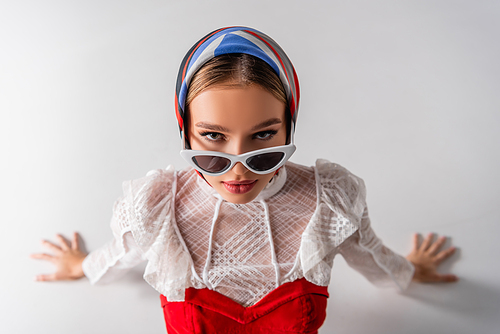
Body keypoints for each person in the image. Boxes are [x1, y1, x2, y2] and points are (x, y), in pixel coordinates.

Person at [31, 26, 458, 333]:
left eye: (264, 138)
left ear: (290, 128)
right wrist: (81, 267)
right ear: (186, 129)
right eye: (213, 138)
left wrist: (409, 271)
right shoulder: (156, 207)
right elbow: (121, 252)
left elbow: (371, 255)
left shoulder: (331, 200)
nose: (238, 167)